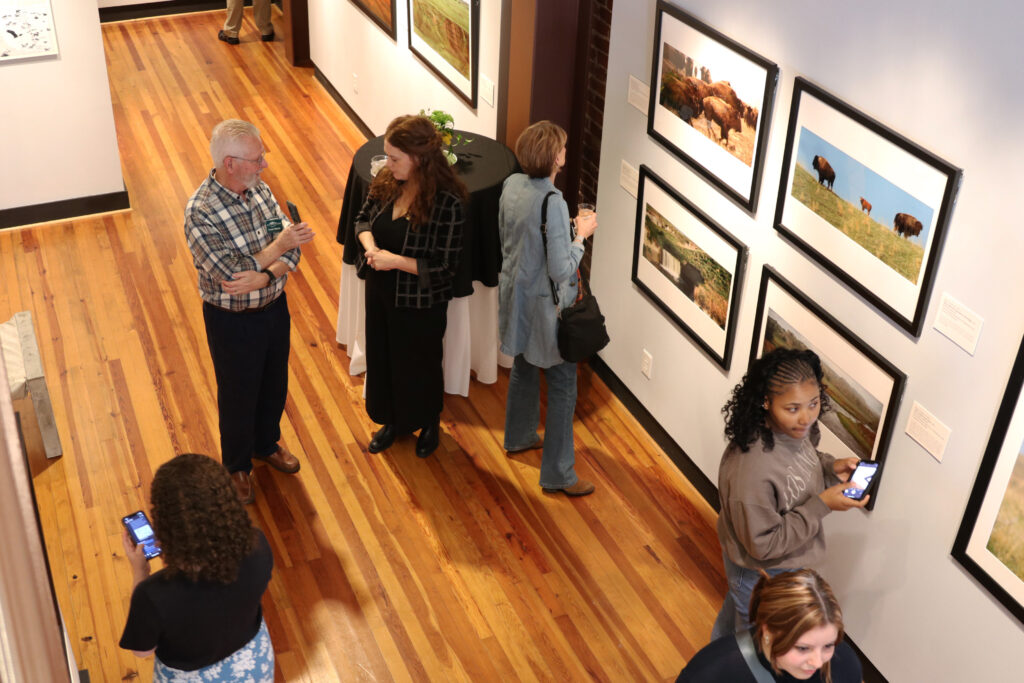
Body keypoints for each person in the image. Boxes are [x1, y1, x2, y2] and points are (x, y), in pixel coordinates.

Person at [185, 118, 313, 503]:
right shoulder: (200, 213)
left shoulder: (260, 190)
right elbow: (230, 273)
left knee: (274, 383)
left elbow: (293, 250)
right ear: (230, 163)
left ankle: (266, 444)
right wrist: (277, 251)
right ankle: (237, 466)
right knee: (238, 394)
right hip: (232, 323)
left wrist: (264, 275)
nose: (264, 165)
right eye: (257, 159)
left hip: (274, 308)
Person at [711, 348, 867, 640]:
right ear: (766, 402)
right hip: (758, 569)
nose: (806, 418)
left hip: (781, 564)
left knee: (735, 618)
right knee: (755, 641)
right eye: (793, 408)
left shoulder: (793, 431)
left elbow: (801, 462)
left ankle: (708, 666)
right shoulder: (751, 472)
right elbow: (763, 546)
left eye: (814, 403)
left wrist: (830, 466)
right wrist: (822, 505)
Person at [353, 114, 467, 458]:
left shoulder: (449, 203)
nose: (387, 163)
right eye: (388, 156)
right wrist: (372, 249)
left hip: (421, 301)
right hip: (380, 290)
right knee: (384, 356)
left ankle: (427, 420)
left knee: (420, 363)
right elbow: (361, 219)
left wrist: (396, 261)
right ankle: (393, 421)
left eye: (394, 157)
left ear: (419, 159)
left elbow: (446, 269)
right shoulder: (388, 179)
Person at [497, 120, 598, 496]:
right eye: (564, 149)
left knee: (523, 366)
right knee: (562, 386)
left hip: (516, 298)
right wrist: (580, 237)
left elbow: (508, 241)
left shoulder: (510, 185)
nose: (566, 153)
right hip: (546, 309)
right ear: (556, 157)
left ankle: (519, 436)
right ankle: (558, 473)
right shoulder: (553, 202)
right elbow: (560, 270)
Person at [119, 453, 275, 682]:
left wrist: (140, 571)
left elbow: (142, 651)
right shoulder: (258, 545)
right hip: (253, 666)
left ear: (166, 524)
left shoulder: (153, 594)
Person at [677, 569, 862, 682]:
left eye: (828, 645)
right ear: (767, 630)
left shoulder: (844, 662)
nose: (818, 661)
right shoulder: (712, 671)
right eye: (803, 648)